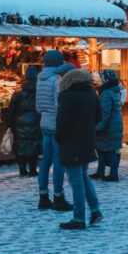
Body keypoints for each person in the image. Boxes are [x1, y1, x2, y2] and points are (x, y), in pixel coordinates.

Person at [55, 68, 102, 230]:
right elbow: (99, 116)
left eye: (60, 77)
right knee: (83, 177)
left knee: (76, 181)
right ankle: (95, 210)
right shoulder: (90, 93)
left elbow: (62, 122)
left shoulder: (66, 96)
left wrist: (59, 137)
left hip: (71, 143)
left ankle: (79, 218)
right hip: (87, 141)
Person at [35, 51, 73, 212]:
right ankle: (59, 196)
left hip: (44, 122)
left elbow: (38, 106)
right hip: (55, 124)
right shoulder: (55, 80)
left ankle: (43, 197)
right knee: (58, 162)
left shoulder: (40, 79)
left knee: (45, 161)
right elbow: (60, 104)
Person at [5, 66, 42, 177]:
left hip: (19, 122)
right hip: (36, 122)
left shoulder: (18, 93)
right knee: (34, 146)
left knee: (20, 145)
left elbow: (11, 110)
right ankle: (32, 169)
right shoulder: (40, 91)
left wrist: (8, 124)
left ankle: (22, 169)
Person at [93, 69, 124, 181]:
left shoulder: (106, 93)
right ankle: (101, 172)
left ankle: (113, 174)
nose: (99, 81)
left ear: (106, 80)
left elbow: (105, 112)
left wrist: (99, 127)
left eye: (101, 79)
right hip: (114, 124)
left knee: (110, 150)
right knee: (103, 149)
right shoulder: (113, 90)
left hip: (109, 126)